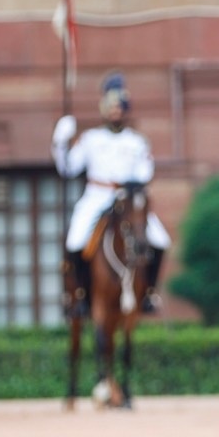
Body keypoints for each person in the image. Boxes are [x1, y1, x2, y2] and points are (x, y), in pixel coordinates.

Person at [53, 73, 171, 316]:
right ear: (103, 108)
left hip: (127, 199)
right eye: (110, 106)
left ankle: (149, 293)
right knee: (75, 240)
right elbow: (68, 168)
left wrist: (131, 186)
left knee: (161, 240)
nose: (115, 111)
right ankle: (81, 296)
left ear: (125, 109)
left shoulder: (137, 142)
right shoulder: (90, 139)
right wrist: (60, 142)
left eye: (119, 107)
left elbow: (145, 172)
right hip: (96, 196)